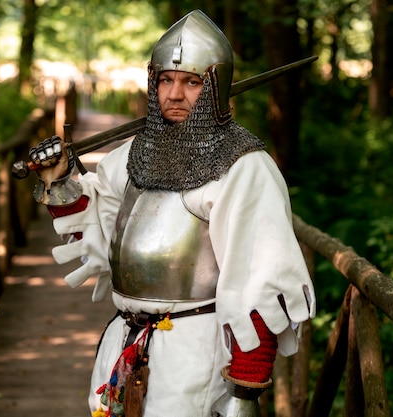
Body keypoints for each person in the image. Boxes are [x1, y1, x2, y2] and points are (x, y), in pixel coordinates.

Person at [28, 9, 316, 417]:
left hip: (194, 355)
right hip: (125, 346)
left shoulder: (244, 167)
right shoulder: (131, 155)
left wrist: (244, 394)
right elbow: (100, 230)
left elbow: (261, 282)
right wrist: (60, 181)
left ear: (217, 86)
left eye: (192, 82)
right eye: (165, 80)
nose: (174, 95)